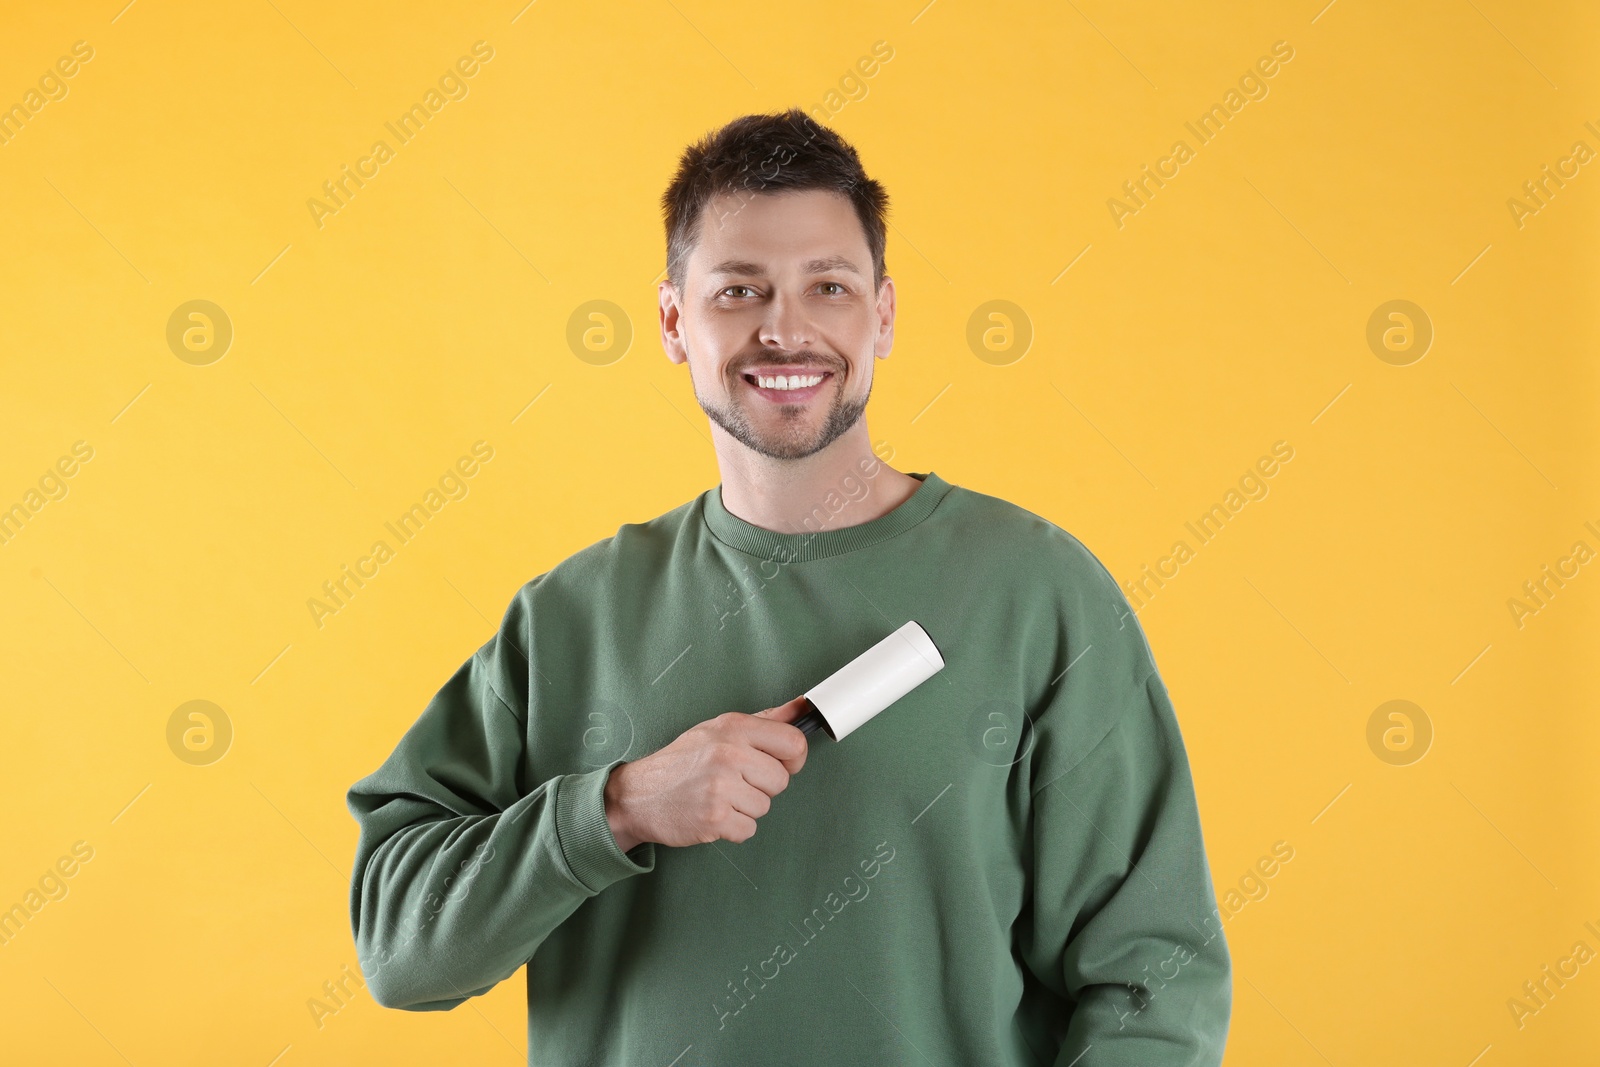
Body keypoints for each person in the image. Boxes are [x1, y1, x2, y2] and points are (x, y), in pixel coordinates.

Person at [346, 107, 1232, 1065]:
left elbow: (1156, 978)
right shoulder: (570, 620)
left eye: (829, 287)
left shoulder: (1035, 592)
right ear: (674, 322)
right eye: (740, 290)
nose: (787, 328)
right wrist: (619, 807)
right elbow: (402, 949)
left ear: (882, 315)